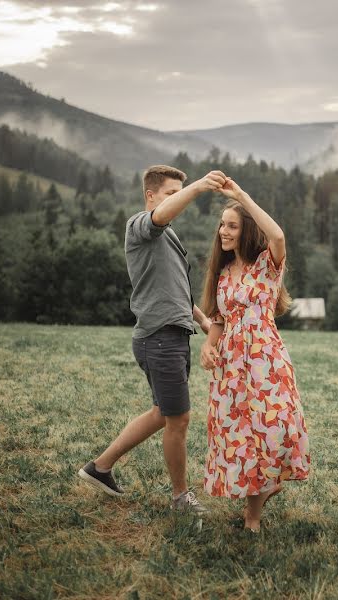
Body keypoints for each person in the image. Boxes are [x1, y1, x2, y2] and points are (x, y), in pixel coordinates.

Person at [78, 165, 226, 515]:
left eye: (179, 192)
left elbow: (172, 288)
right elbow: (159, 218)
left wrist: (203, 320)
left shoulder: (168, 236)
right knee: (179, 419)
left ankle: (99, 468)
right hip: (160, 339)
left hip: (172, 335)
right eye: (170, 193)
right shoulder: (140, 226)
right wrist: (200, 187)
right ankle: (180, 499)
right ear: (151, 196)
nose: (176, 199)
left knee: (164, 413)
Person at [199, 178, 310, 532]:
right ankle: (253, 518)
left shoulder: (267, 265)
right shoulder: (223, 274)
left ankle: (265, 492)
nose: (223, 232)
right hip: (231, 368)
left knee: (274, 431)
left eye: (231, 226)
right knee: (243, 440)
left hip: (266, 362)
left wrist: (241, 197)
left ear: (246, 229)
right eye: (221, 226)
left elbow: (277, 236)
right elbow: (218, 319)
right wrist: (208, 345)